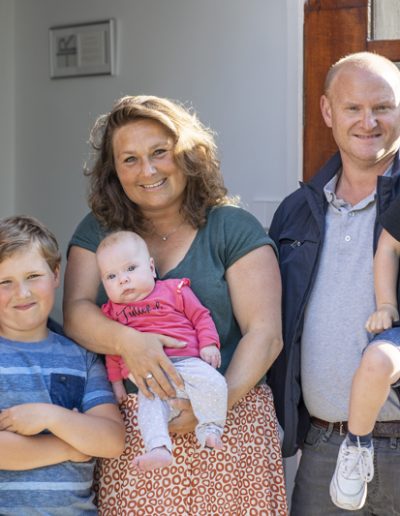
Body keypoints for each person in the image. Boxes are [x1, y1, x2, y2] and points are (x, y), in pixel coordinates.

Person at [63, 94, 287, 514]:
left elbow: (266, 334)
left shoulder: (232, 227)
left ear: (188, 155)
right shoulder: (99, 230)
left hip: (228, 421)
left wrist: (210, 407)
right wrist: (130, 343)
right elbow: (76, 312)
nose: (146, 170)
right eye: (129, 159)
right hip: (138, 429)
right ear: (114, 171)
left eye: (159, 153)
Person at [268, 51, 400, 514]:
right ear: (327, 111)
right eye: (353, 108)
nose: (370, 121)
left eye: (383, 107)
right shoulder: (295, 212)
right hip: (326, 449)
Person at [0, 215, 125, 515]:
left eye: (33, 276)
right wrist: (69, 447)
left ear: (56, 274)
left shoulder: (82, 356)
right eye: (5, 282)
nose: (22, 293)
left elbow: (112, 439)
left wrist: (50, 416)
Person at [97, 230, 228, 471]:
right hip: (146, 375)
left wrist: (209, 343)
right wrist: (115, 383)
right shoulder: (113, 312)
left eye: (130, 269)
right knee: (149, 406)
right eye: (111, 276)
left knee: (214, 382)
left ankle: (210, 427)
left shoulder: (174, 290)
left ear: (151, 267)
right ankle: (158, 448)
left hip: (186, 362)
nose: (122, 280)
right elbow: (113, 350)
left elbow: (200, 316)